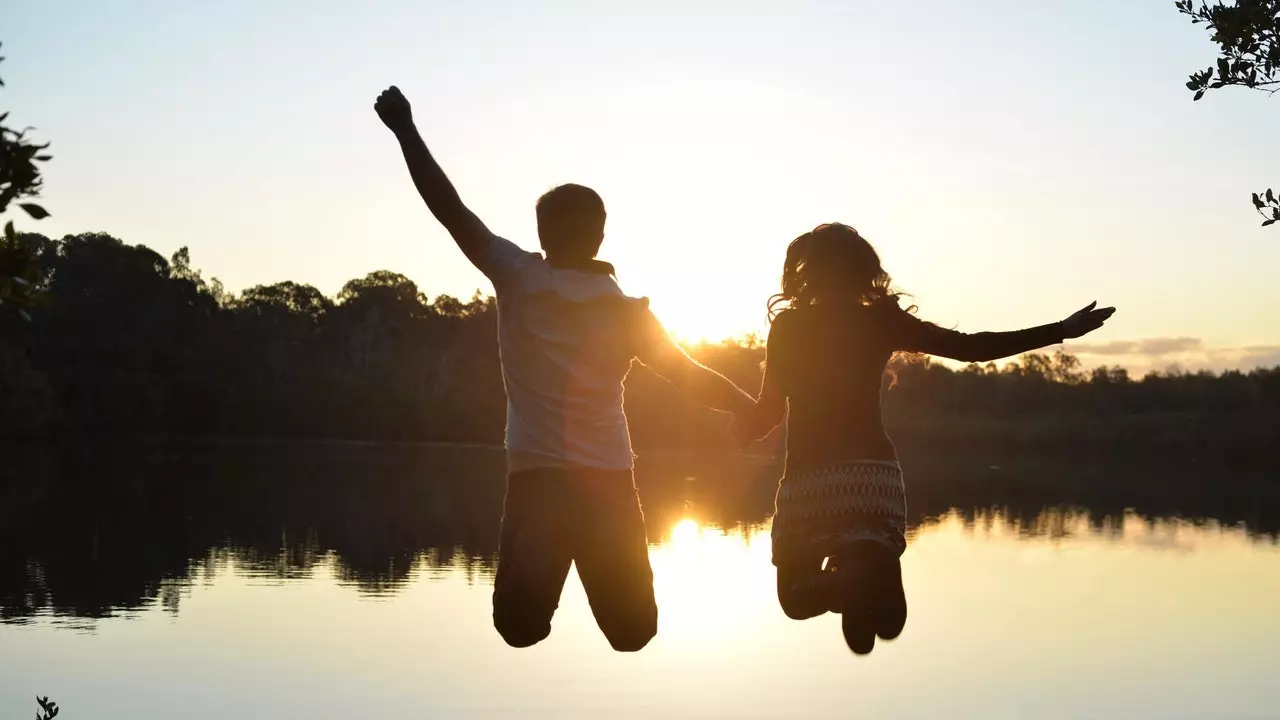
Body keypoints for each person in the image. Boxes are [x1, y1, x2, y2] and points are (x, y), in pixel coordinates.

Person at [373, 86, 756, 652]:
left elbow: (450, 209)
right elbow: (690, 375)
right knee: (634, 633)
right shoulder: (628, 312)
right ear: (601, 233)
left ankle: (552, 534)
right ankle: (570, 532)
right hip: (609, 482)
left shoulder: (520, 277)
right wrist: (758, 408)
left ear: (541, 234)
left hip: (538, 480)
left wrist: (405, 130)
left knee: (519, 628)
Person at [731, 222, 1115, 654]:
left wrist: (737, 431)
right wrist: (1060, 328)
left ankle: (848, 579)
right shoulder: (880, 320)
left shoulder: (789, 327)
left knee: (797, 602)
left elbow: (768, 410)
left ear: (806, 273)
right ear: (864, 271)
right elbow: (972, 348)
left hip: (810, 481)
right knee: (887, 620)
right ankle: (865, 565)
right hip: (873, 480)